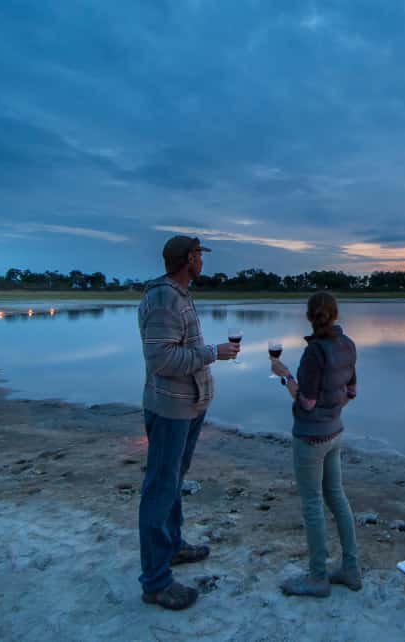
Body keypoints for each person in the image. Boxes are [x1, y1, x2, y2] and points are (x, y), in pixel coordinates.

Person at [137, 235, 239, 610]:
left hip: (188, 405)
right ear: (186, 259)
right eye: (198, 255)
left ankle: (173, 546)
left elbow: (178, 351)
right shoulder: (164, 299)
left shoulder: (178, 295)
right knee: (160, 487)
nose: (202, 260)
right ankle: (155, 581)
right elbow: (162, 360)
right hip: (170, 409)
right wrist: (214, 353)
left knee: (173, 480)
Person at [269, 292, 362, 597]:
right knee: (337, 497)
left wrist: (284, 377)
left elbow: (306, 402)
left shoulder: (314, 352)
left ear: (310, 316)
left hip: (310, 437)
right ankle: (351, 569)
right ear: (335, 314)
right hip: (335, 432)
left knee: (312, 505)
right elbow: (350, 392)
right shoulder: (348, 345)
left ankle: (318, 577)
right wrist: (331, 412)